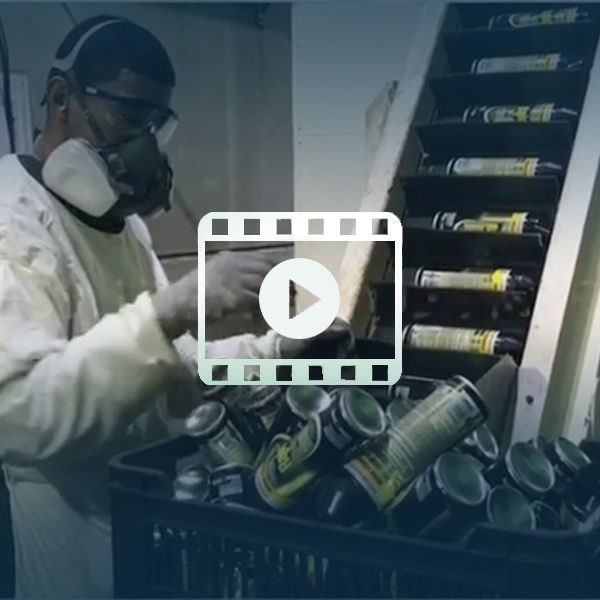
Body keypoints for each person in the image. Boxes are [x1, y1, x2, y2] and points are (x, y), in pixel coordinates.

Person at [0, 16, 350, 599]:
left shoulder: (122, 225)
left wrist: (274, 351)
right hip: (71, 535)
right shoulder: (13, 220)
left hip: (144, 512)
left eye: (155, 126)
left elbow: (174, 367)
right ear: (62, 100)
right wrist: (170, 310)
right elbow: (19, 414)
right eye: (128, 118)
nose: (144, 146)